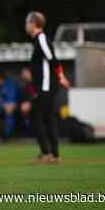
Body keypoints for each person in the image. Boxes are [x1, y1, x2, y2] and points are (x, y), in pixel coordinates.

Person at [25, 11, 70, 164]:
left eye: (27, 23)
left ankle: (46, 153)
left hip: (45, 88)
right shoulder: (38, 40)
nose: (26, 26)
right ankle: (54, 155)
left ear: (33, 24)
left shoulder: (42, 38)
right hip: (44, 88)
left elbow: (53, 59)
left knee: (36, 118)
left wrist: (61, 76)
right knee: (48, 119)